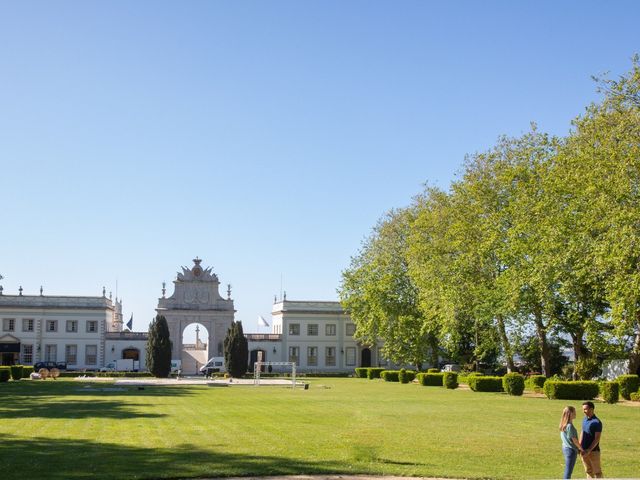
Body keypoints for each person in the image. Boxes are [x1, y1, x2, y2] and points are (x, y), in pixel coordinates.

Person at [580, 401, 603, 478]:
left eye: (585, 409)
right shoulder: (584, 419)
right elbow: (582, 432)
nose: (584, 411)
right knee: (588, 471)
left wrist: (589, 450)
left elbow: (597, 438)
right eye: (583, 409)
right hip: (583, 450)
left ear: (592, 409)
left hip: (593, 451)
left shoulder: (597, 422)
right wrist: (579, 447)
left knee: (597, 472)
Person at [559, 406, 583, 479]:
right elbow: (574, 440)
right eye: (574, 412)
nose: (575, 414)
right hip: (571, 450)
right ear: (570, 413)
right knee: (568, 470)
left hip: (565, 448)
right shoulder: (569, 426)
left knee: (568, 469)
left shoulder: (564, 424)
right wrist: (581, 449)